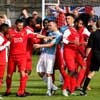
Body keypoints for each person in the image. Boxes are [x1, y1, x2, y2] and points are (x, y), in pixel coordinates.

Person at [4, 19, 39, 97]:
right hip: (12, 56)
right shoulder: (10, 32)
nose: (21, 27)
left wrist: (47, 36)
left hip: (22, 56)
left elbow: (36, 35)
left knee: (23, 73)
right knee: (9, 74)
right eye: (19, 25)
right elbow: (4, 36)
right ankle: (8, 90)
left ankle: (21, 91)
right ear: (16, 24)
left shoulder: (25, 32)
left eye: (22, 25)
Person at [34, 20, 62, 96]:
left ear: (55, 25)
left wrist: (40, 46)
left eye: (50, 25)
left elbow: (51, 45)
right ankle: (53, 87)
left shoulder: (59, 35)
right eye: (48, 25)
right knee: (39, 72)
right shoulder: (49, 33)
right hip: (43, 53)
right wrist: (46, 37)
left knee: (48, 73)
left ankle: (49, 91)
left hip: (50, 55)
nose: (48, 27)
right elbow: (39, 36)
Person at [80, 19, 100, 96]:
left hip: (95, 55)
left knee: (91, 73)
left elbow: (89, 47)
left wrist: (85, 56)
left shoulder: (93, 34)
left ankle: (83, 90)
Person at [0, 24, 10, 99]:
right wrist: (6, 43)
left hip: (3, 60)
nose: (8, 30)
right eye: (8, 29)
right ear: (4, 29)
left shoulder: (3, 37)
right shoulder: (0, 37)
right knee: (0, 78)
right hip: (1, 60)